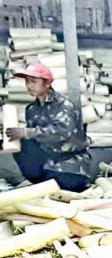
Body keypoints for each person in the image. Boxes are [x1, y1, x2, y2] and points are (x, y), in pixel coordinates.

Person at [2, 63, 93, 192]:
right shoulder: (32, 109)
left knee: (56, 187)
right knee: (21, 141)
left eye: (34, 81)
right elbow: (32, 139)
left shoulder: (63, 105)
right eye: (27, 82)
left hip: (71, 165)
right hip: (47, 163)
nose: (29, 86)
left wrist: (28, 133)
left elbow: (62, 132)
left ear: (47, 83)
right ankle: (33, 180)